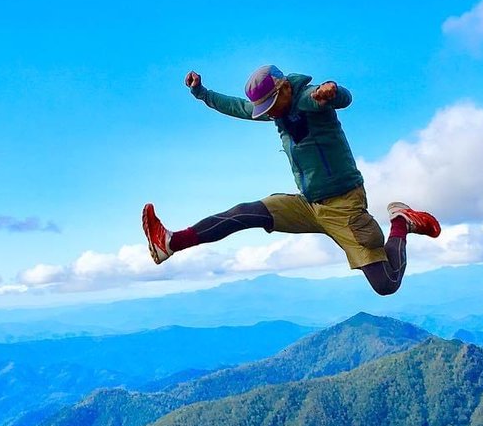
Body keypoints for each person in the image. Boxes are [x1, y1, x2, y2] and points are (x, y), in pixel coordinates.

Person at [142, 65, 440, 295]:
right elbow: (235, 107)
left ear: (285, 87)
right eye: (265, 109)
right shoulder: (273, 111)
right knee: (244, 213)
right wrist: (201, 92)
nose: (269, 113)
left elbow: (341, 97)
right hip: (307, 204)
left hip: (343, 207)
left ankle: (401, 220)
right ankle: (169, 242)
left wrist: (333, 93)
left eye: (272, 105)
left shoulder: (309, 98)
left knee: (385, 284)